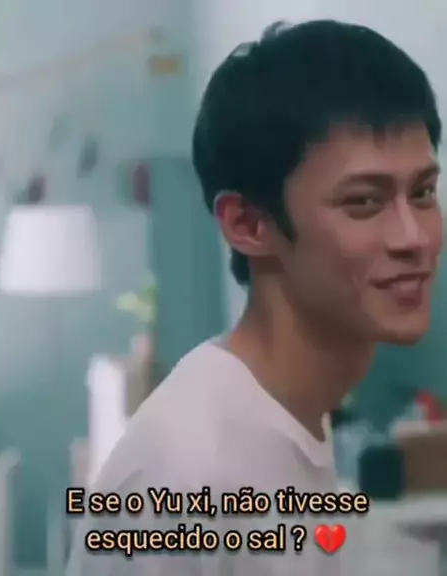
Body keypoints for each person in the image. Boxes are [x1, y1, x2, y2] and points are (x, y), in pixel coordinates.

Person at [67, 19, 443, 576]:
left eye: (423, 192)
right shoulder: (189, 470)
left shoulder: (293, 420)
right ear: (247, 224)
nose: (413, 238)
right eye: (364, 201)